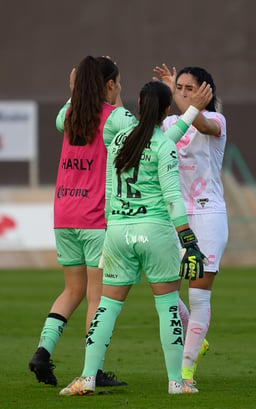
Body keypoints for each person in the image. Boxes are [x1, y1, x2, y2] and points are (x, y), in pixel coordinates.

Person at [59, 79, 213, 397]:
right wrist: (189, 240)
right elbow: (172, 196)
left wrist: (112, 230)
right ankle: (177, 382)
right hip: (155, 232)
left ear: (139, 106)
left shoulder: (117, 142)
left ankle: (87, 377)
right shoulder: (163, 145)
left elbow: (111, 192)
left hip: (117, 232)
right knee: (168, 306)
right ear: (166, 110)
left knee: (106, 308)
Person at [28, 56, 137, 388]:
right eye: (116, 82)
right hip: (95, 219)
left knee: (71, 289)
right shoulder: (115, 117)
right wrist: (115, 97)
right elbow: (137, 131)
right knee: (97, 297)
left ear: (76, 83)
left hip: (64, 214)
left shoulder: (68, 115)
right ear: (109, 85)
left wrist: (75, 88)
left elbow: (69, 110)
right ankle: (95, 369)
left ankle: (42, 353)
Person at [153, 64, 228, 386]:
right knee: (164, 289)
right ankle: (197, 339)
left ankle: (185, 374)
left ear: (205, 91)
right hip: (176, 218)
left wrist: (185, 100)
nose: (181, 93)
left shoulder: (215, 121)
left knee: (199, 298)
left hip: (208, 215)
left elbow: (200, 121)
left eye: (188, 88)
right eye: (178, 88)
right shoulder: (170, 122)